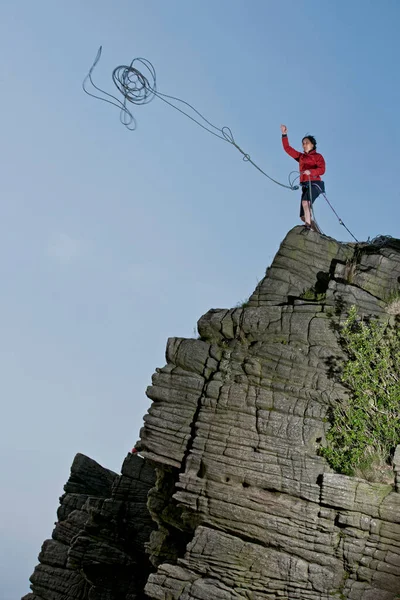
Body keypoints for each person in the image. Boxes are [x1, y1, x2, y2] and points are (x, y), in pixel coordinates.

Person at [280, 124, 326, 230]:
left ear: (312, 145)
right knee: (303, 215)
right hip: (305, 185)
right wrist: (284, 134)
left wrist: (311, 171)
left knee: (306, 203)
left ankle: (308, 226)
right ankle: (317, 232)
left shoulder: (318, 157)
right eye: (303, 143)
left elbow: (322, 170)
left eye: (307, 143)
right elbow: (287, 149)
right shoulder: (301, 157)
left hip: (315, 184)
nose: (304, 145)